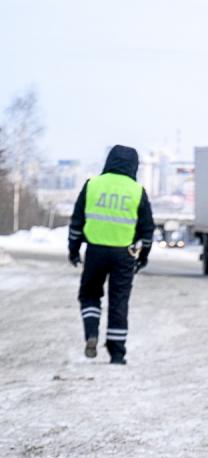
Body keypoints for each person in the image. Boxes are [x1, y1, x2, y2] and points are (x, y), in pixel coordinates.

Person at [68, 145, 155, 365]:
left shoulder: (93, 185)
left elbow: (77, 222)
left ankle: (91, 334)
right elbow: (147, 229)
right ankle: (117, 354)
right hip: (124, 254)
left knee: (89, 294)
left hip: (95, 251)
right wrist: (143, 256)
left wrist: (74, 249)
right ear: (134, 166)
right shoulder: (137, 190)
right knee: (119, 301)